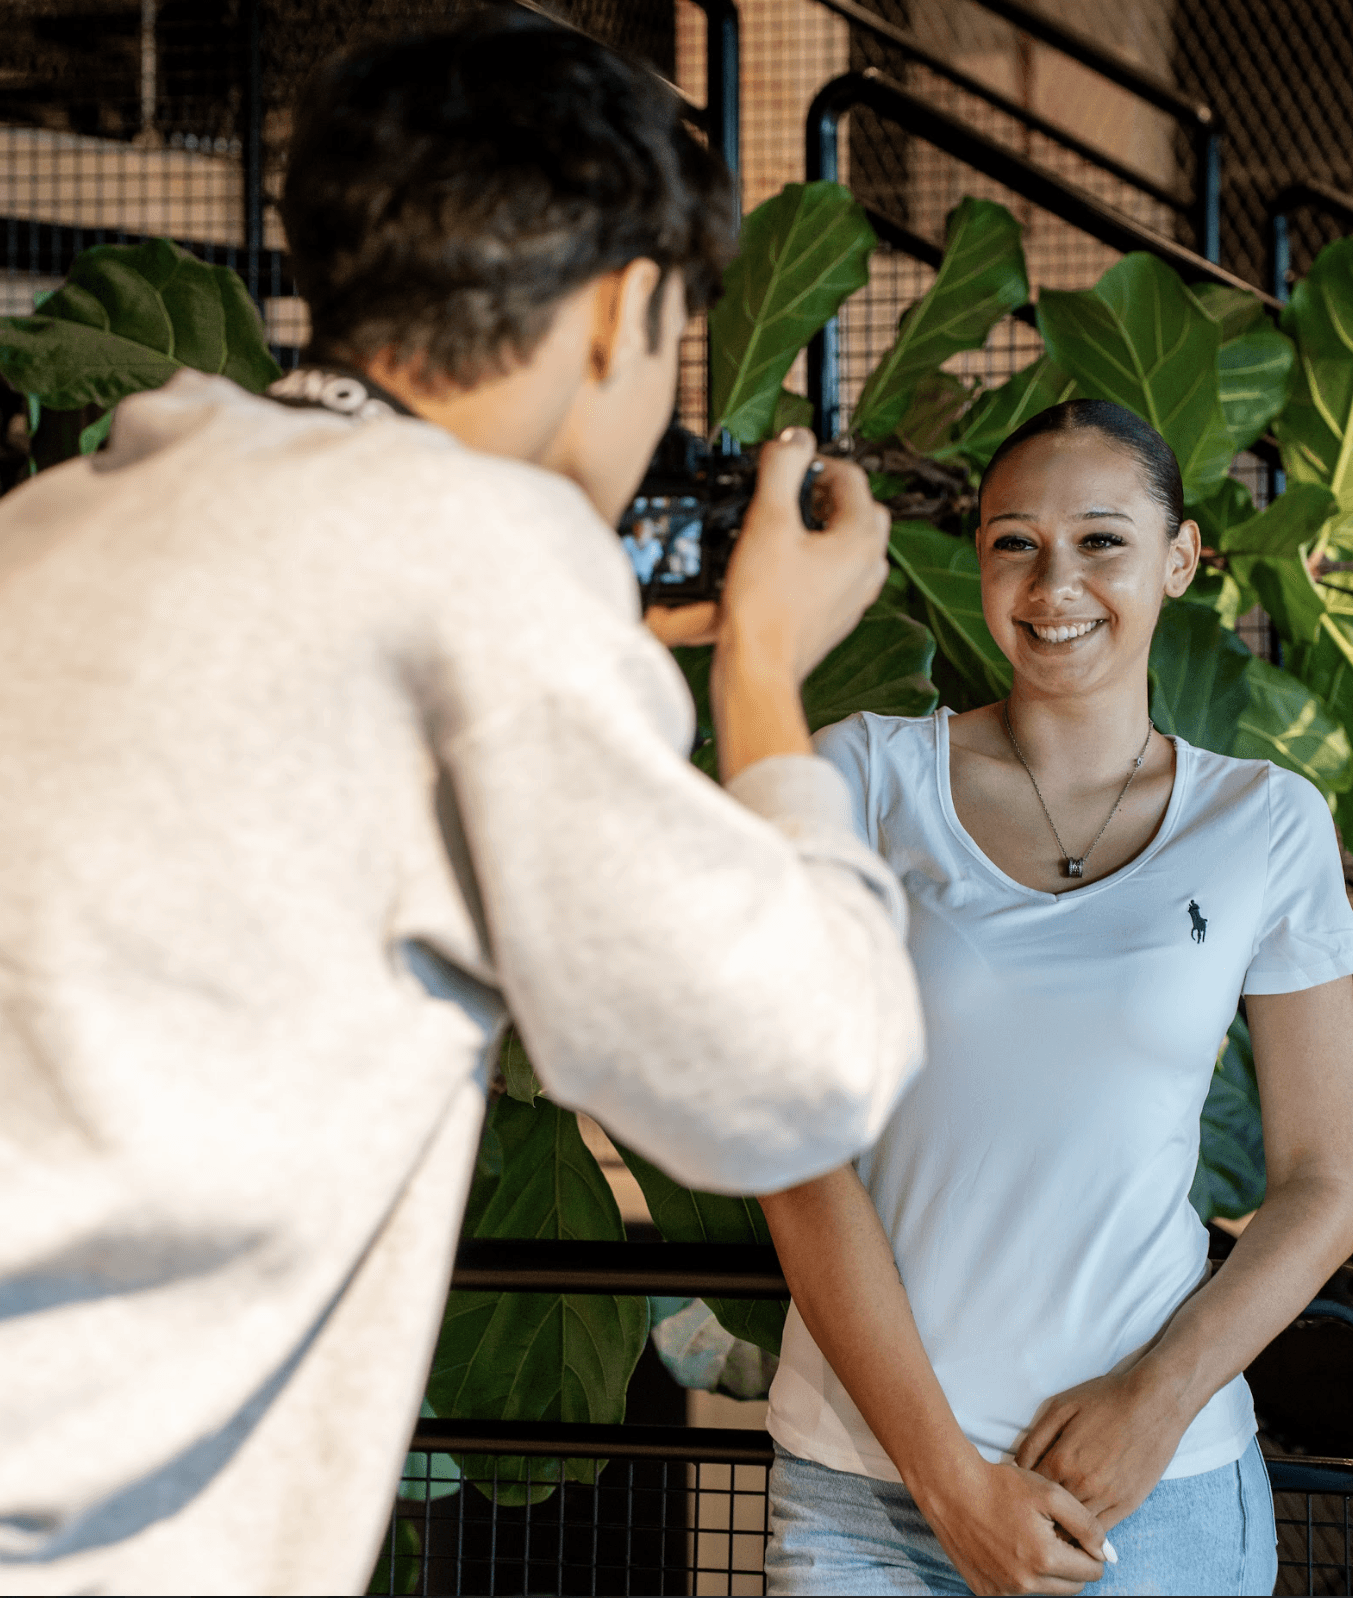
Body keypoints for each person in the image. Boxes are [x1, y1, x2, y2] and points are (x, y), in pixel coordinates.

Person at [0, 16, 924, 1595]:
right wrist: (764, 671)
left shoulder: (64, 520)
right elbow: (796, 1070)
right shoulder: (479, 566)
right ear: (624, 305)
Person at [759, 400, 1353, 1597]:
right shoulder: (864, 775)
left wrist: (1157, 1401)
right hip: (864, 1490)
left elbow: (1320, 1185)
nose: (1054, 584)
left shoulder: (1265, 822)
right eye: (1013, 542)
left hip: (1153, 1495)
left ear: (1179, 560)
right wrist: (945, 1479)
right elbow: (795, 1150)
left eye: (1100, 540)